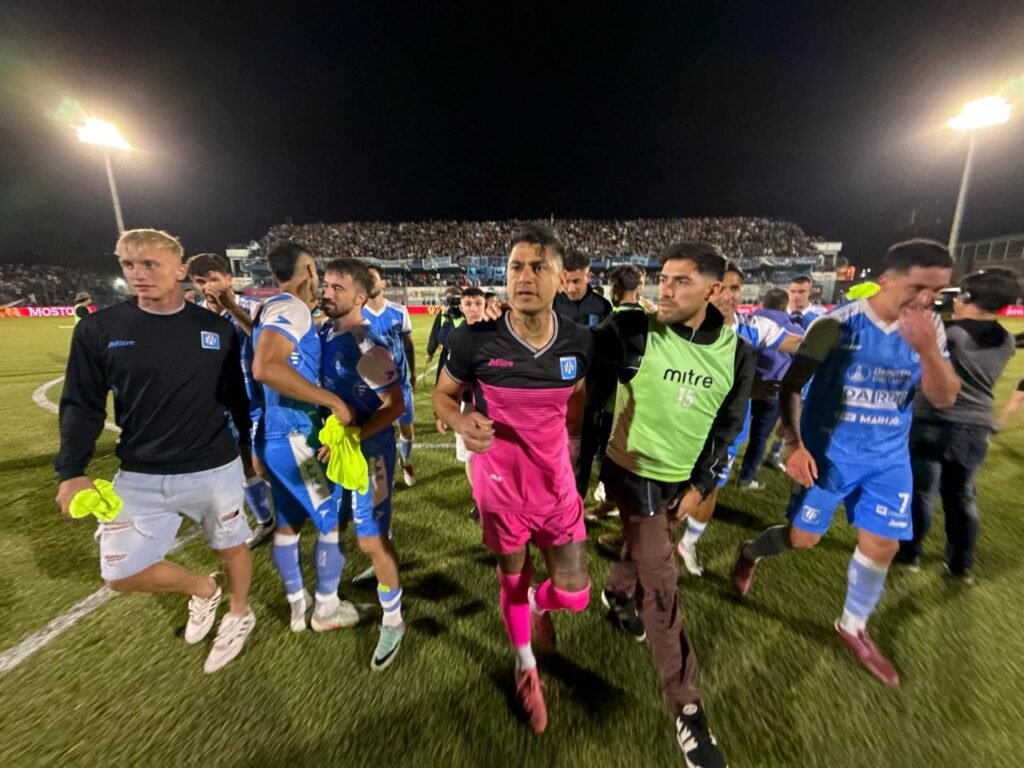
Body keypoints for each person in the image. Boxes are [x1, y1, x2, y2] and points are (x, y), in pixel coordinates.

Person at [732, 239, 961, 687]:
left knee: (883, 545)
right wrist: (795, 444)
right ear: (886, 280)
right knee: (803, 539)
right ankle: (750, 553)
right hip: (829, 456)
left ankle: (852, 625)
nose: (927, 299)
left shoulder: (931, 326)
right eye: (918, 287)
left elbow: (944, 396)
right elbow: (792, 385)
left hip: (888, 459)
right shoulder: (837, 324)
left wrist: (929, 351)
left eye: (936, 291)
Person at [54, 228, 255, 674]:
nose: (138, 273)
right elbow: (81, 403)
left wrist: (247, 449)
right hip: (140, 472)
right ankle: (203, 589)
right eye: (128, 264)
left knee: (231, 546)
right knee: (119, 574)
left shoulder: (216, 329)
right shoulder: (98, 330)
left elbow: (235, 397)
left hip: (213, 466)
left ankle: (240, 612)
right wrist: (71, 470)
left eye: (150, 264)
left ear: (179, 270)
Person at [594, 244, 754, 768]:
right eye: (662, 279)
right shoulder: (634, 329)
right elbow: (581, 365)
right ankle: (687, 708)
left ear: (713, 290)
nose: (665, 289)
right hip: (630, 472)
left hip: (679, 480)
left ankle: (617, 594)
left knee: (644, 549)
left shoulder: (737, 354)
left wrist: (702, 482)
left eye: (681, 281)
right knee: (661, 585)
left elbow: (728, 426)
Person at [432, 224, 592, 735]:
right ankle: (526, 667)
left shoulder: (579, 342)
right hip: (500, 490)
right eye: (515, 267)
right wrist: (460, 422)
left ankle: (539, 606)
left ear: (561, 278)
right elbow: (443, 397)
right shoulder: (473, 340)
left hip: (556, 486)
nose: (524, 277)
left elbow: (577, 402)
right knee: (513, 578)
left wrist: (571, 449)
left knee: (574, 593)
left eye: (538, 267)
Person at [251, 241, 359, 634]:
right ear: (310, 270)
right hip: (297, 438)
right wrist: (332, 401)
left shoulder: (269, 309)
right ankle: (326, 607)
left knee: (288, 523)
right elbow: (265, 368)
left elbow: (255, 374)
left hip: (276, 437)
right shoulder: (291, 308)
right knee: (330, 521)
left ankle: (299, 605)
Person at [676, 264, 800, 577]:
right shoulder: (685, 325)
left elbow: (801, 345)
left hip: (727, 430)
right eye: (721, 288)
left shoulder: (754, 328)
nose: (728, 296)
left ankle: (688, 544)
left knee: (710, 487)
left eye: (735, 288)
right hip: (683, 423)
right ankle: (642, 542)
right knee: (667, 487)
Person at [896, 268, 1019, 580]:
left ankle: (909, 554)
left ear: (966, 296)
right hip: (976, 426)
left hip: (932, 421)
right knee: (962, 495)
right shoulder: (1005, 339)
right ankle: (960, 564)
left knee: (921, 493)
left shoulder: (948, 333)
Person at [320, 258, 408, 670]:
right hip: (342, 447)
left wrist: (357, 434)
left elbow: (395, 405)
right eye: (325, 285)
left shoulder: (366, 346)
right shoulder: (324, 332)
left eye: (337, 288)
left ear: (359, 297)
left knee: (370, 540)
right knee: (336, 524)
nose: (327, 293)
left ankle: (393, 619)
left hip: (371, 453)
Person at [187, 253, 275, 548]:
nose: (207, 286)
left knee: (267, 463)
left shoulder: (255, 307)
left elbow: (265, 344)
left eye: (213, 279)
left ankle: (300, 502)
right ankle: (265, 521)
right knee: (243, 464)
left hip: (259, 399)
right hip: (224, 402)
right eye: (200, 281)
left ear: (228, 279)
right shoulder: (195, 317)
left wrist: (232, 309)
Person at [733, 287, 805, 489]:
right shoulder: (795, 332)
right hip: (772, 392)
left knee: (730, 432)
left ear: (764, 303)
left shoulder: (747, 324)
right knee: (759, 437)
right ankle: (746, 477)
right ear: (785, 306)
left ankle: (719, 468)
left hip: (741, 389)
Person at [433, 287, 487, 520]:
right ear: (462, 307)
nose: (473, 308)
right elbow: (445, 372)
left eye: (478, 303)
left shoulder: (499, 331)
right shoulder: (456, 337)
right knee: (469, 456)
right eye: (468, 304)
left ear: (485, 304)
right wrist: (442, 411)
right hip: (467, 404)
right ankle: (479, 500)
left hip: (492, 405)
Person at [362, 266, 418, 487]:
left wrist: (413, 373)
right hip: (372, 389)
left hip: (400, 384)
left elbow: (408, 344)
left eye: (373, 278)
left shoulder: (399, 311)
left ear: (383, 283)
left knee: (407, 431)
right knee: (377, 433)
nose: (369, 282)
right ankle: (384, 472)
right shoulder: (357, 315)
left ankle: (405, 461)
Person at [554, 250, 612, 327]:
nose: (571, 289)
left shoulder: (603, 306)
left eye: (576, 281)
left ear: (588, 277)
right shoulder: (551, 305)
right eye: (566, 281)